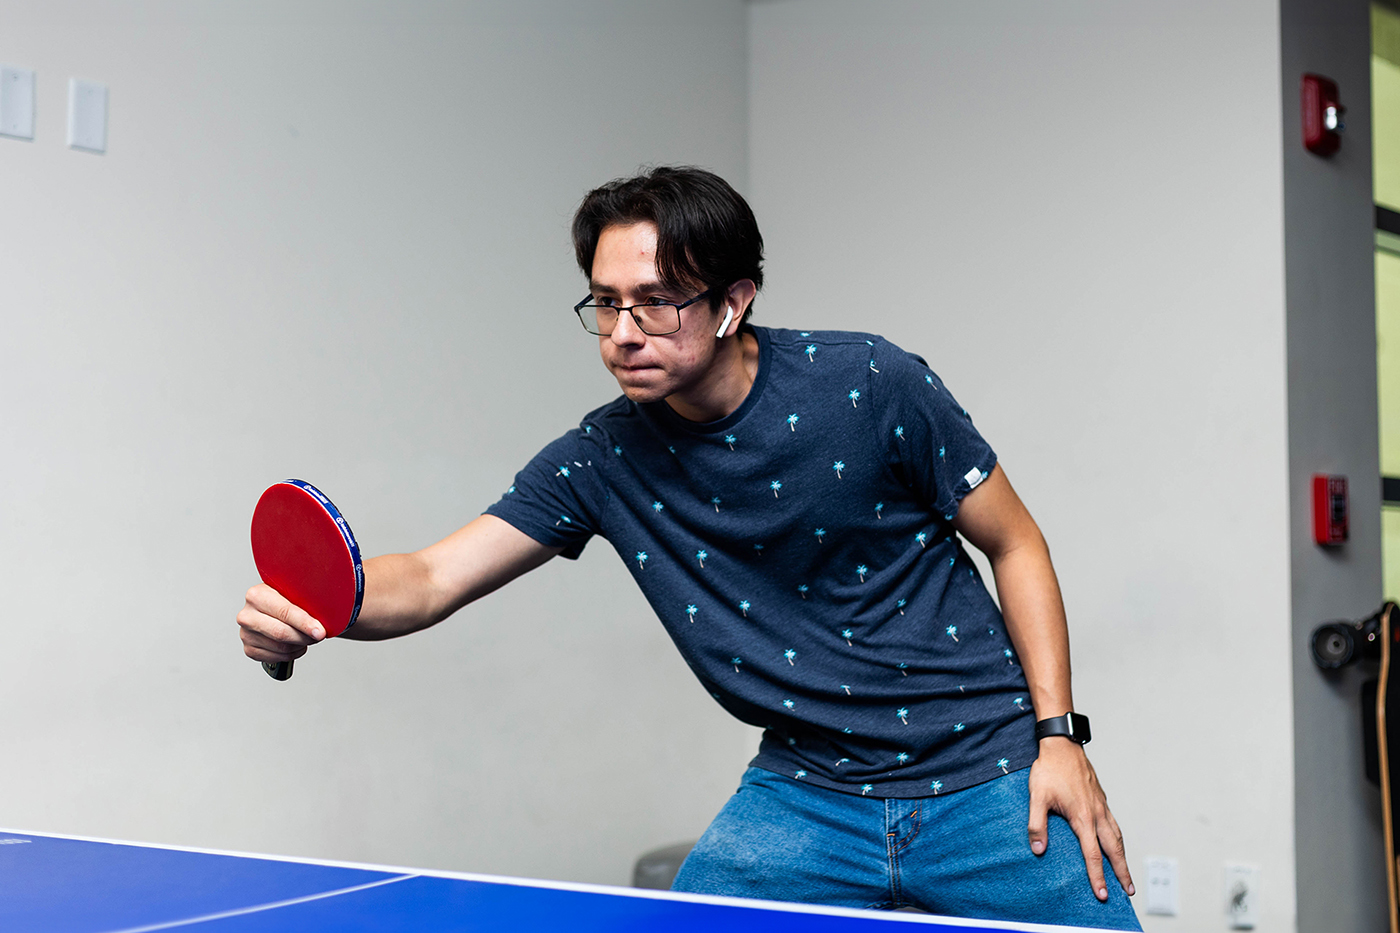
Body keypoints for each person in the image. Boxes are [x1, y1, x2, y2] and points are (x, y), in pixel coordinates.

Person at [237, 166, 1139, 930]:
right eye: (608, 302)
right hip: (805, 793)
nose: (625, 332)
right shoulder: (602, 457)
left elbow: (1016, 543)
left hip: (990, 773)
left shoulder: (871, 382)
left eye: (658, 301)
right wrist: (325, 606)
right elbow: (432, 577)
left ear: (734, 301)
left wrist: (1058, 737)